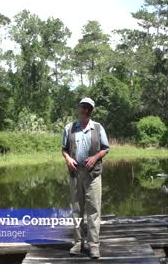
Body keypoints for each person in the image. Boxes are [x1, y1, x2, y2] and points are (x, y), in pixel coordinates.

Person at [61, 97, 110, 259]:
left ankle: (94, 245)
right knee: (76, 210)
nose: (85, 110)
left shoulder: (98, 127)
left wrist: (95, 158)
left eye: (89, 108)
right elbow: (64, 149)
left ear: (91, 111)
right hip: (75, 174)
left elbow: (105, 148)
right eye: (83, 107)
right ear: (79, 108)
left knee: (94, 210)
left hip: (93, 174)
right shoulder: (69, 128)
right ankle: (78, 242)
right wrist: (68, 159)